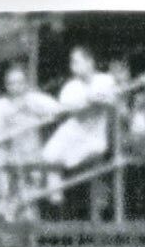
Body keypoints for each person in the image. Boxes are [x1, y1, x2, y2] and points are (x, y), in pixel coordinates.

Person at [40, 46, 119, 217]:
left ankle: (96, 209)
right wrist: (88, 100)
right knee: (48, 155)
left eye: (77, 61)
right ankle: (56, 199)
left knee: (83, 162)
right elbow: (65, 108)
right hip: (74, 131)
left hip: (95, 136)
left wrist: (98, 100)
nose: (73, 65)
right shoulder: (70, 87)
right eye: (71, 62)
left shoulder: (105, 80)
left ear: (90, 62)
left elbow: (112, 100)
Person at [0, 65, 60, 222]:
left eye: (19, 82)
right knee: (7, 203)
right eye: (11, 83)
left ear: (26, 83)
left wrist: (36, 116)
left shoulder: (35, 100)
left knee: (29, 204)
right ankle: (7, 230)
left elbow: (57, 110)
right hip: (9, 160)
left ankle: (31, 238)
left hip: (31, 158)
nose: (16, 87)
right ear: (6, 85)